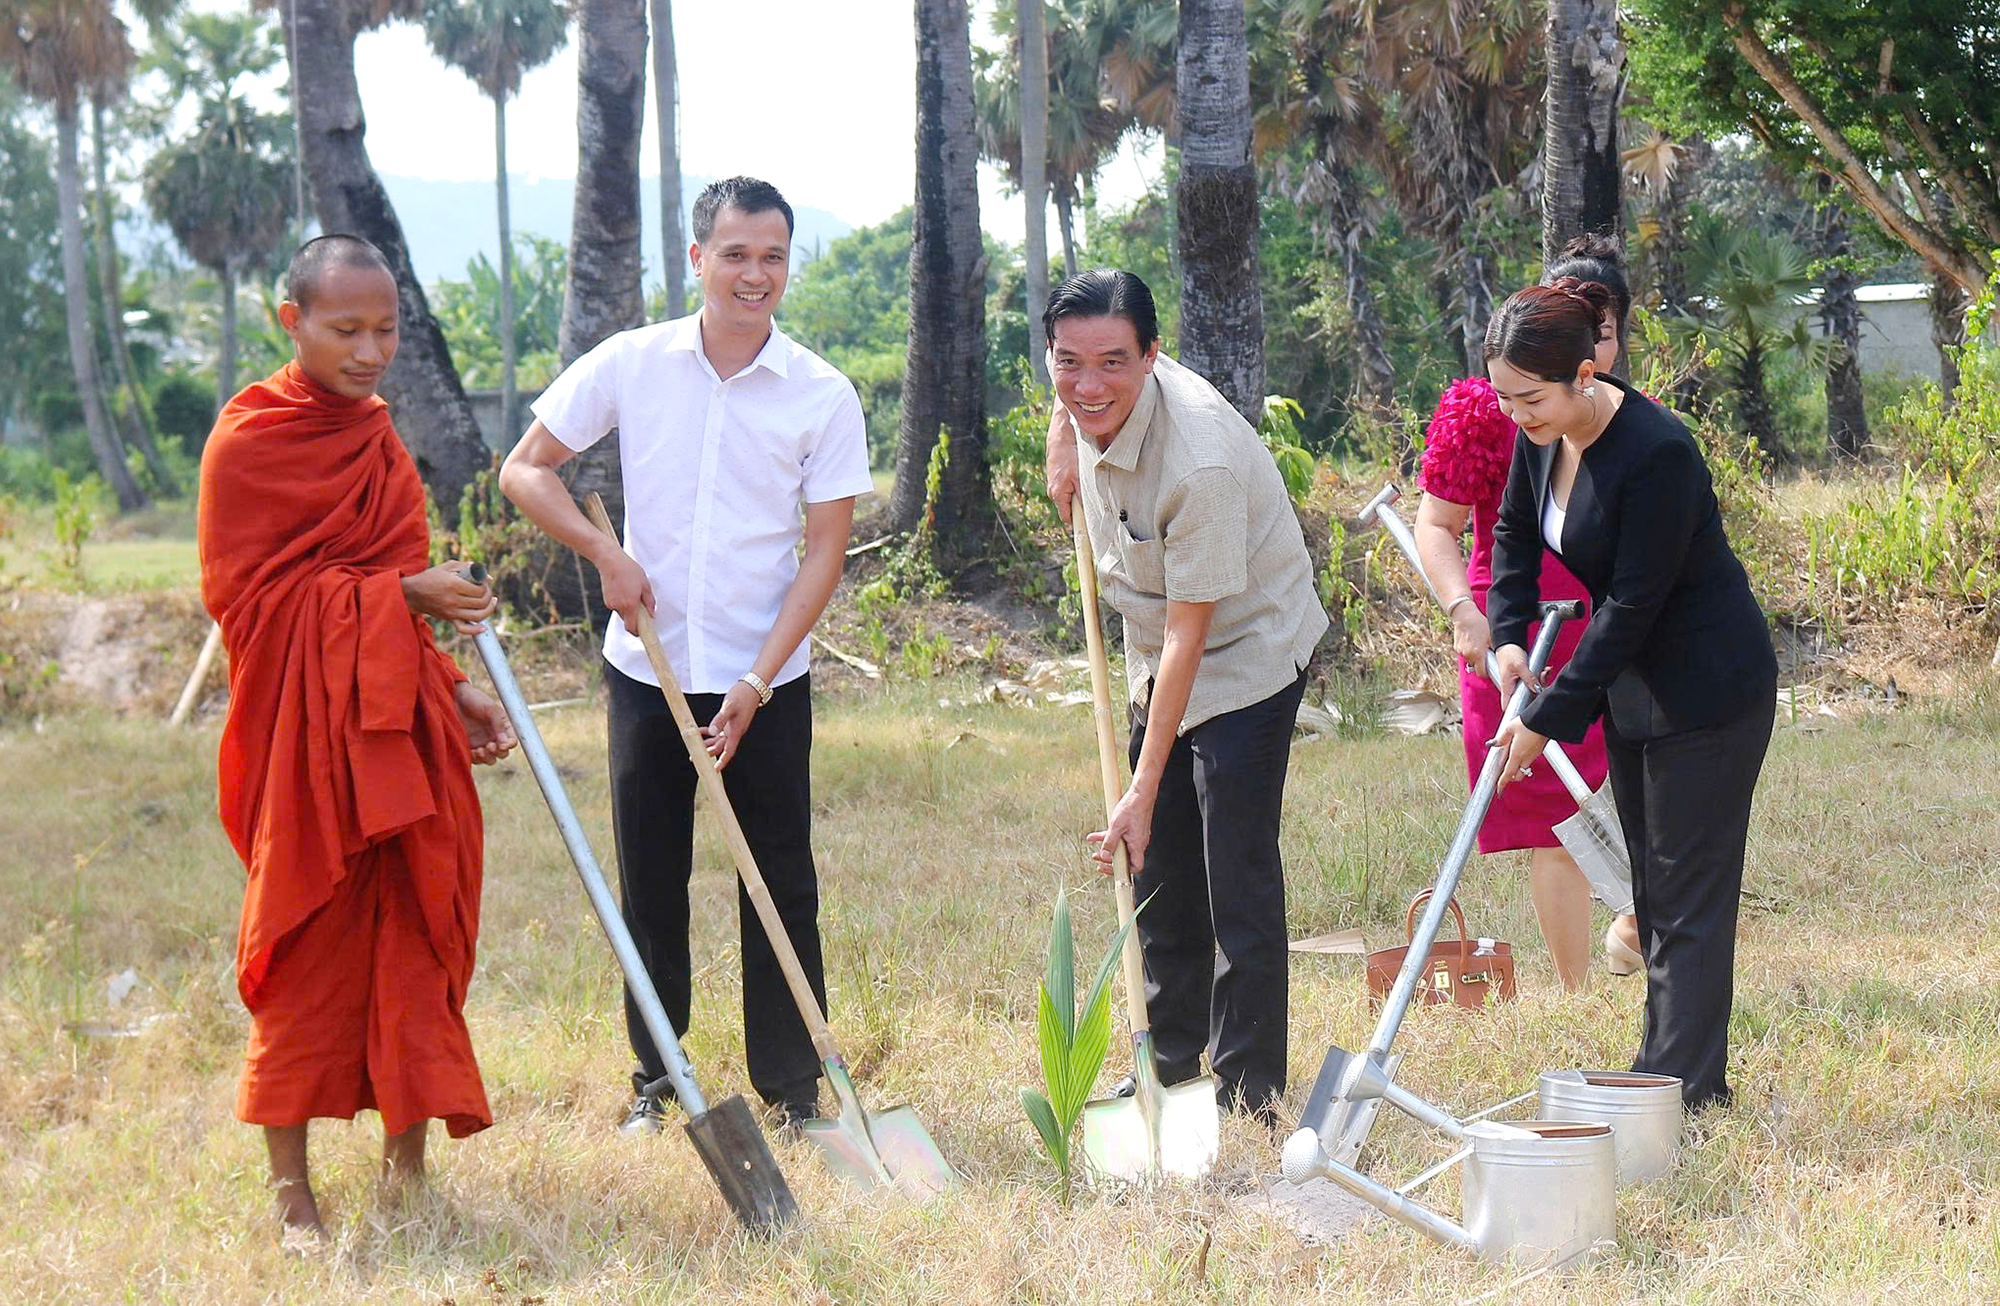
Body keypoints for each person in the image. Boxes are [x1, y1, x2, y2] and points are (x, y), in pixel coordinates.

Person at [499, 177, 872, 1135]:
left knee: (779, 880)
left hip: (766, 679)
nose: (757, 274)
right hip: (645, 668)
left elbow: (824, 552)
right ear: (698, 258)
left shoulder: (822, 394)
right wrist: (606, 555)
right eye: (737, 253)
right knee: (651, 881)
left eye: (774, 256)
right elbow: (526, 469)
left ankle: (793, 1092)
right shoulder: (631, 363)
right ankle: (659, 1082)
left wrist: (756, 682)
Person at [198, 234, 518, 1242]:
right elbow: (254, 606)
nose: (371, 349)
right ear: (288, 322)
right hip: (304, 745)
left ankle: (405, 1160)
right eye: (346, 328)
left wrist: (454, 684)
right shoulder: (249, 441)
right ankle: (290, 1188)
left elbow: (398, 604)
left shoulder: (378, 438)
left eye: (386, 328)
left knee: (416, 933)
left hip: (398, 729)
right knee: (302, 945)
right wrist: (400, 594)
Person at [1484, 278, 1778, 1111]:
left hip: (1708, 687)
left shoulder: (1657, 452)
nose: (1517, 416)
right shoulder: (1540, 431)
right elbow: (1510, 532)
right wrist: (1508, 638)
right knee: (1651, 888)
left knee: (1687, 891)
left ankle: (1680, 1096)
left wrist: (1545, 720)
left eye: (1529, 398)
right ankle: (1668, 1069)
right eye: (1505, 398)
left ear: (1587, 372)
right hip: (1635, 691)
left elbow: (1632, 608)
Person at [1042, 269, 1329, 1120]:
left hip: (1244, 650)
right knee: (1159, 861)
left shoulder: (1197, 461)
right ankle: (1167, 1062)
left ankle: (1247, 1090)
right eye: (1068, 365)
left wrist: (1140, 784)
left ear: (1152, 357)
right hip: (1153, 645)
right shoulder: (1083, 392)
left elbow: (1189, 639)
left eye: (1111, 365)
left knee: (1231, 868)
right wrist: (1064, 431)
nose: (1089, 385)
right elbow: (1074, 394)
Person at [1413, 234, 1642, 991]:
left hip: (1613, 632)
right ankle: (1577, 990)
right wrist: (1465, 613)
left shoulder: (1634, 422)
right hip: (1517, 633)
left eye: (1603, 330)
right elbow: (1438, 526)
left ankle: (1636, 932)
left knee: (1640, 794)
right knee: (1554, 813)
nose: (1591, 344)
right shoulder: (1487, 411)